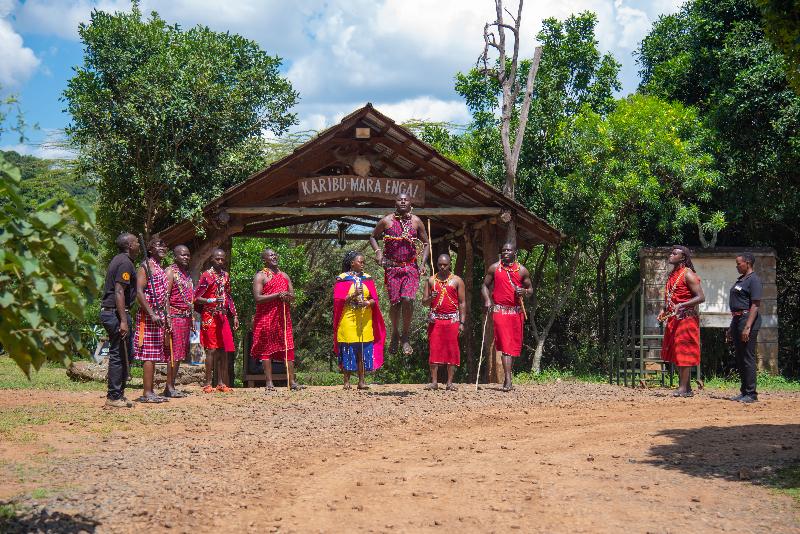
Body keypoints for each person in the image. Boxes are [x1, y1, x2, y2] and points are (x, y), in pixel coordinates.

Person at [369, 193, 430, 355]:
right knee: (395, 303)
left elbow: (425, 243)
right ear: (394, 203)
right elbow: (373, 237)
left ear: (411, 203)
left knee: (408, 299)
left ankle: (405, 336)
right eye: (399, 199)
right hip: (392, 268)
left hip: (410, 268)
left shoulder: (416, 222)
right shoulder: (386, 221)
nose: (403, 201)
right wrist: (378, 253)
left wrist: (423, 263)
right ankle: (395, 333)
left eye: (406, 199)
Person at [251, 248, 304, 392]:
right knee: (266, 350)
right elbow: (258, 298)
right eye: (270, 255)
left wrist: (287, 296)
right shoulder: (261, 276)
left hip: (283, 318)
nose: (273, 257)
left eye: (275, 255)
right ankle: (269, 382)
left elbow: (293, 296)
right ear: (265, 260)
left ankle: (292, 381)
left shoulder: (284, 275)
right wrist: (276, 295)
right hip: (266, 317)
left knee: (289, 348)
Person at [481, 243, 532, 392]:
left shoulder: (522, 270)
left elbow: (530, 289)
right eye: (503, 250)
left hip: (516, 312)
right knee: (506, 347)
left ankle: (508, 376)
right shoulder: (494, 268)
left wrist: (523, 291)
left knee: (513, 347)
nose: (505, 252)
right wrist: (487, 300)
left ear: (515, 252)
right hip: (500, 311)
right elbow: (484, 285)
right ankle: (508, 380)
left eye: (509, 250)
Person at [333, 251, 387, 390]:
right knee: (348, 349)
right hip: (348, 319)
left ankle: (362, 381)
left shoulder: (368, 278)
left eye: (364, 262)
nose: (363, 264)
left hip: (365, 319)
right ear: (352, 263)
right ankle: (346, 382)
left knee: (362, 350)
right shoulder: (342, 278)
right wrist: (353, 295)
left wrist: (368, 303)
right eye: (360, 262)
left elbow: (375, 300)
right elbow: (339, 301)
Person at [99, 232, 140, 408]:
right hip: (116, 314)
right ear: (129, 245)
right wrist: (123, 320)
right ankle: (113, 397)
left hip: (116, 312)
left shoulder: (123, 261)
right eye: (136, 242)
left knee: (126, 354)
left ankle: (119, 394)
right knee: (118, 354)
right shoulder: (124, 263)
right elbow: (119, 291)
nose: (138, 244)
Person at [658, 245, 705, 397]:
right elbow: (671, 297)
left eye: (674, 253)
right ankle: (686, 387)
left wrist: (682, 304)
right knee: (677, 353)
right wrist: (664, 310)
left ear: (683, 257)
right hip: (674, 319)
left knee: (684, 351)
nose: (670, 255)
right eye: (671, 253)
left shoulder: (688, 274)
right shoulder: (673, 274)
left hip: (686, 319)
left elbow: (701, 297)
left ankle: (683, 388)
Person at [194, 248, 239, 393]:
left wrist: (235, 314)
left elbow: (229, 296)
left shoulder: (226, 276)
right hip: (210, 315)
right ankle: (208, 383)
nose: (220, 261)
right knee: (212, 349)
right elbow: (196, 298)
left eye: (222, 259)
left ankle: (221, 383)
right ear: (211, 259)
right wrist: (211, 299)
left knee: (223, 349)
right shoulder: (206, 276)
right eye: (217, 259)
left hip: (223, 316)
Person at [133, 236, 169, 403]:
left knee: (155, 354)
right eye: (158, 246)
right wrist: (152, 314)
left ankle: (151, 391)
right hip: (149, 316)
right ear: (150, 250)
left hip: (159, 315)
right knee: (149, 353)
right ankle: (147, 392)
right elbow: (139, 292)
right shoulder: (146, 266)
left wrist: (164, 315)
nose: (162, 248)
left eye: (164, 246)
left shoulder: (159, 268)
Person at [422, 254, 466, 391]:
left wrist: (462, 322)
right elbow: (424, 303)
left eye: (445, 265)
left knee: (452, 350)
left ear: (450, 265)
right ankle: (434, 382)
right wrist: (431, 298)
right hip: (435, 320)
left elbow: (462, 302)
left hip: (452, 320)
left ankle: (449, 383)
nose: (442, 267)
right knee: (434, 349)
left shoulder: (457, 281)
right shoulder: (431, 281)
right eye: (440, 264)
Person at [726, 252, 762, 403]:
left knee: (747, 357)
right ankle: (744, 391)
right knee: (740, 357)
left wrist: (747, 327)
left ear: (748, 263)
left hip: (748, 319)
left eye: (739, 263)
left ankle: (751, 393)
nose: (737, 266)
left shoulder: (754, 280)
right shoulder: (741, 280)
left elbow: (755, 304)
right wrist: (731, 327)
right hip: (737, 319)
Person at [163, 244, 194, 398]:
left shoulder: (186, 274)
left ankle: (172, 385)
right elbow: (165, 297)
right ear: (175, 256)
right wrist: (167, 318)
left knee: (180, 354)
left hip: (186, 318)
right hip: (174, 317)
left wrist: (192, 317)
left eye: (188, 255)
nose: (186, 257)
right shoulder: (170, 272)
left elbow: (190, 299)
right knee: (173, 354)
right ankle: (168, 387)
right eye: (182, 255)